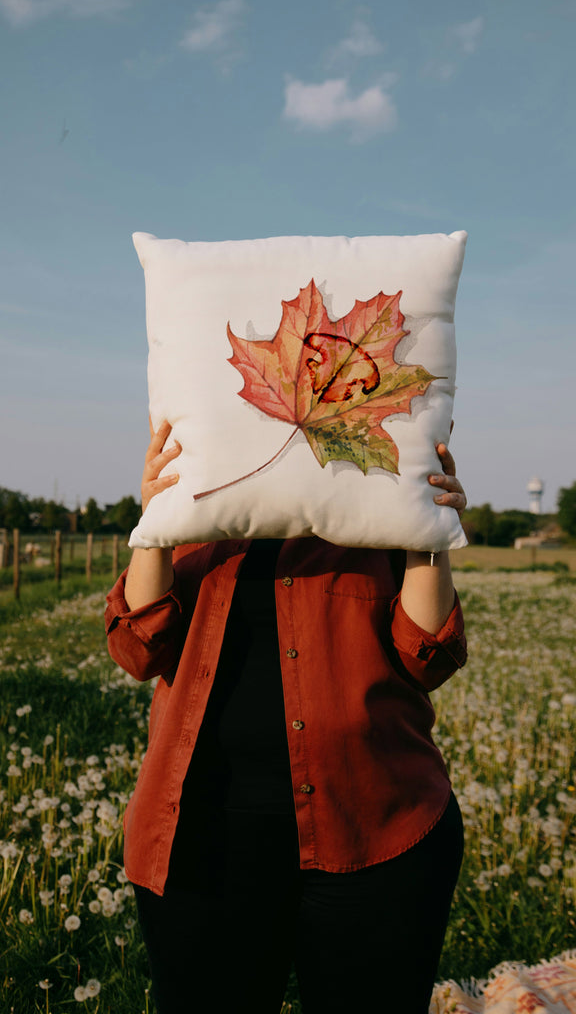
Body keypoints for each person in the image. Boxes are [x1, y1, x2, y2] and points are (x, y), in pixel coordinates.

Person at [105, 419, 468, 1014]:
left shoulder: (372, 509)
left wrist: (429, 528)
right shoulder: (202, 514)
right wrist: (156, 522)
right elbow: (135, 651)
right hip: (204, 841)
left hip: (376, 832)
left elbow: (429, 656)